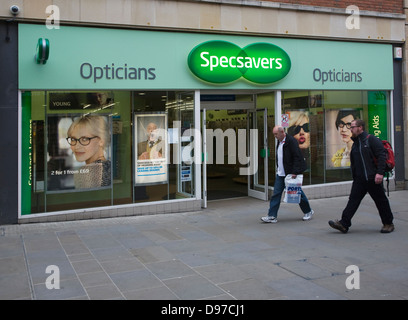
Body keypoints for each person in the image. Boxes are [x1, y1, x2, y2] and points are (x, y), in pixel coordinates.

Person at [328, 119, 394, 234]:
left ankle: (388, 223)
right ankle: (344, 223)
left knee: (380, 201)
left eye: (352, 127)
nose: (351, 129)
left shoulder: (371, 140)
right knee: (353, 200)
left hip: (372, 178)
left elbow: (381, 156)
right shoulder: (356, 143)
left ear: (360, 128)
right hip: (360, 180)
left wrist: (379, 173)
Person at [261, 125, 314, 223]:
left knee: (297, 193)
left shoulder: (291, 141)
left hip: (290, 173)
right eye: (274, 134)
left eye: (276, 134)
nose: (275, 136)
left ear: (282, 132)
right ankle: (272, 215)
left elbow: (297, 157)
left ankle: (308, 211)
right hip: (281, 174)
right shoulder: (279, 142)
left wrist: (294, 172)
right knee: (276, 194)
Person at [66, 115, 111, 189]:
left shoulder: (86, 172)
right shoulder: (109, 165)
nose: (77, 146)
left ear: (101, 140)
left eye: (84, 139)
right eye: (73, 139)